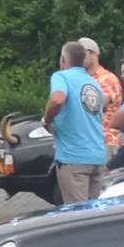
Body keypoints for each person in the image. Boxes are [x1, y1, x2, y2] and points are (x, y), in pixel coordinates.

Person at [45, 39, 108, 203]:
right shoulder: (94, 84)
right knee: (94, 214)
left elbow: (57, 100)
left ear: (64, 59)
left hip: (73, 158)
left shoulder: (61, 76)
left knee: (77, 216)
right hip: (97, 157)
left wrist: (47, 120)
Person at [81, 39, 124, 159]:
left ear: (94, 54)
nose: (78, 58)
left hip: (106, 141)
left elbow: (99, 102)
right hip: (87, 143)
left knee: (105, 178)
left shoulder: (107, 78)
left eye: (82, 53)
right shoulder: (81, 78)